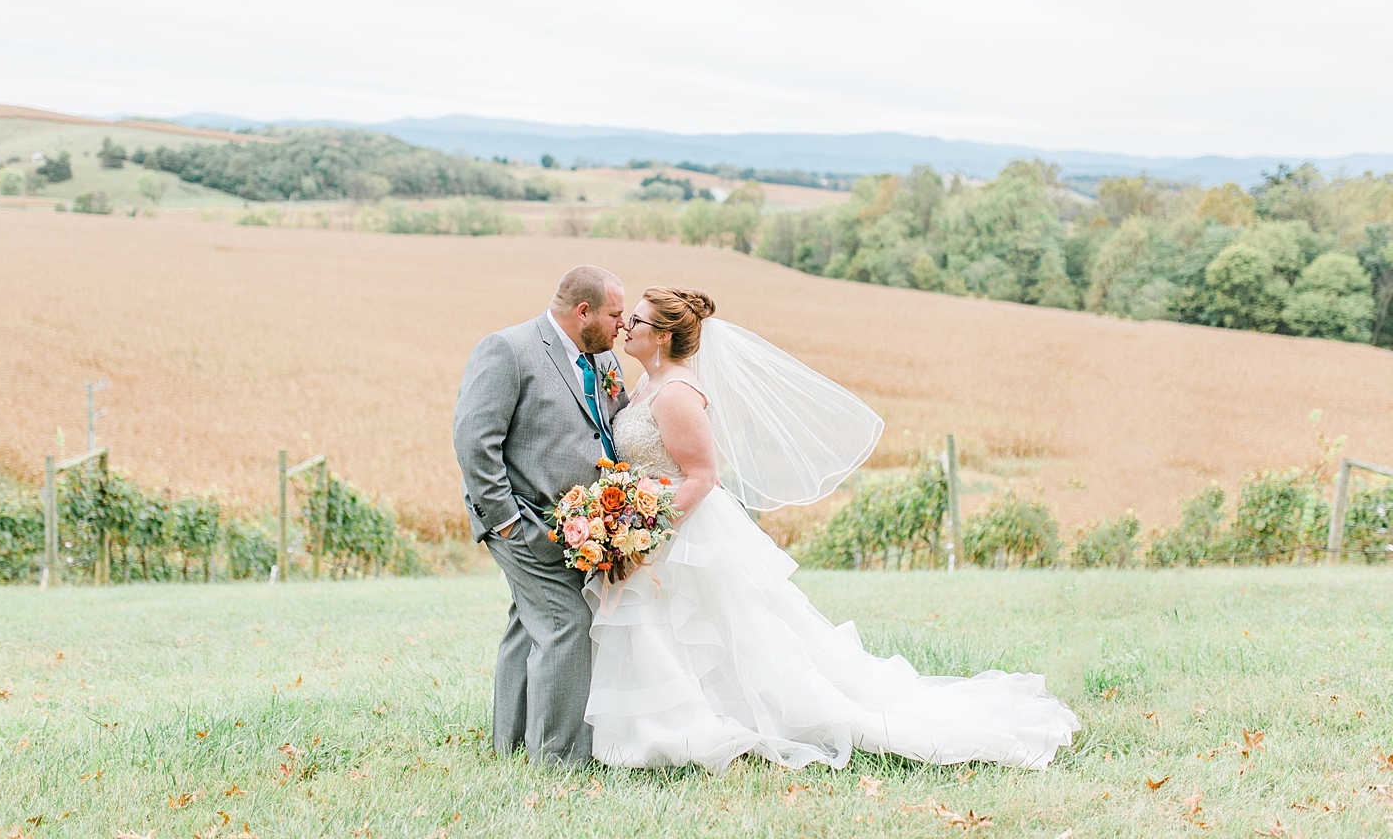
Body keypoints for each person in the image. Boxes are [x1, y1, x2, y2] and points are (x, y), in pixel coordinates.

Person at [584, 285, 1080, 771]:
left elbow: (702, 477)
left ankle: (687, 731)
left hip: (680, 529)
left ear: (665, 336)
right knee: (670, 632)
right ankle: (665, 729)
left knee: (710, 630)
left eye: (639, 321)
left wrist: (649, 533)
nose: (627, 326)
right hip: (648, 520)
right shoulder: (646, 385)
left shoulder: (675, 394)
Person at [452, 264, 629, 765]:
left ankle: (510, 744)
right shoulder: (507, 349)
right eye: (616, 314)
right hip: (523, 520)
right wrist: (507, 521)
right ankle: (558, 758)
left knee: (527, 624)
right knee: (566, 622)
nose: (622, 324)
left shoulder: (601, 358)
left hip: (578, 528)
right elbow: (474, 440)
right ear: (583, 311)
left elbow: (608, 427)